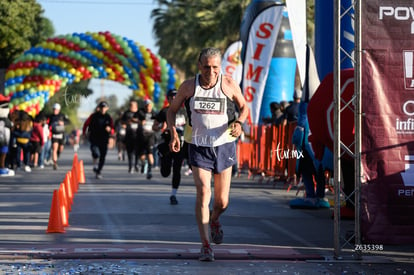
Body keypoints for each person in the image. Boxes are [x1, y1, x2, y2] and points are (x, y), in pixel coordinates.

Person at [167, 47, 249, 261]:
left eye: (215, 67)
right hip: (198, 146)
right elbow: (171, 110)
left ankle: (215, 219)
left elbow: (244, 107)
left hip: (224, 145)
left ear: (219, 67)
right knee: (204, 192)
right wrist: (173, 133)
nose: (210, 72)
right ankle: (205, 246)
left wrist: (239, 122)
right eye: (206, 67)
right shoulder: (188, 86)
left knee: (222, 202)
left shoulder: (228, 84)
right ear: (199, 65)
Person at [153, 89, 187, 205]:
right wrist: (161, 127)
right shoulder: (165, 111)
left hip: (181, 144)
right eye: (171, 97)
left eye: (176, 96)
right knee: (165, 173)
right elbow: (154, 126)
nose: (174, 98)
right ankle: (161, 156)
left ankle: (173, 194)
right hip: (167, 143)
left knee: (177, 169)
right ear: (168, 99)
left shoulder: (185, 111)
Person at [82, 101, 114, 179]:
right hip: (94, 138)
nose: (103, 109)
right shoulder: (93, 116)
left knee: (103, 156)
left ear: (107, 108)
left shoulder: (108, 117)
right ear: (99, 108)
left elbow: (113, 129)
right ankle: (95, 166)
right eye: (102, 108)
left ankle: (98, 171)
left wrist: (110, 130)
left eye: (104, 108)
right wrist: (84, 133)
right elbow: (86, 124)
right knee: (96, 153)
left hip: (104, 138)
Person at [137, 99, 157, 180]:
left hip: (150, 135)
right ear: (145, 106)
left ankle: (149, 171)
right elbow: (135, 119)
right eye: (147, 106)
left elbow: (158, 122)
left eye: (150, 106)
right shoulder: (140, 112)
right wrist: (140, 121)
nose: (148, 107)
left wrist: (157, 126)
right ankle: (143, 163)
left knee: (150, 153)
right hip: (141, 136)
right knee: (141, 155)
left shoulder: (154, 113)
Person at [121, 100, 140, 173]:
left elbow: (144, 121)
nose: (131, 106)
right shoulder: (126, 113)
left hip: (138, 135)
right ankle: (130, 166)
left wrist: (136, 120)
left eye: (133, 105)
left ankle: (136, 164)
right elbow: (122, 121)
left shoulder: (140, 113)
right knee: (130, 151)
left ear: (136, 106)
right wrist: (126, 123)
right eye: (130, 105)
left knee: (137, 151)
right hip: (129, 134)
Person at [48, 103, 66, 170]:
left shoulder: (62, 115)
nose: (55, 111)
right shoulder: (51, 116)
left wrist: (63, 123)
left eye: (56, 110)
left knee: (60, 148)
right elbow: (48, 125)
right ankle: (55, 163)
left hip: (61, 135)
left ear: (59, 110)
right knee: (54, 149)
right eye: (54, 109)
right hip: (54, 135)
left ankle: (57, 156)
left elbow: (68, 121)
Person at [0, 97, 14, 177]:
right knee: (3, 154)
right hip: (4, 140)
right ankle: (2, 167)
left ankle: (2, 167)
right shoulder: (6, 121)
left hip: (4, 140)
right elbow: (11, 125)